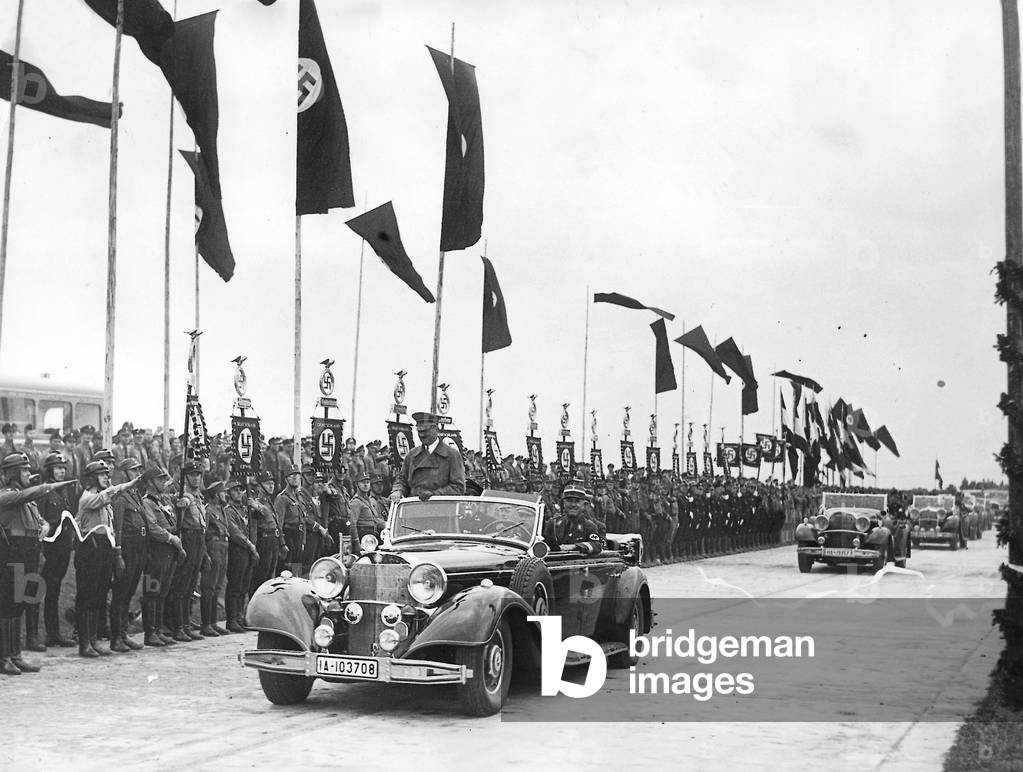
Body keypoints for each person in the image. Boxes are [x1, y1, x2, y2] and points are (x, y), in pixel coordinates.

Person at [0, 453, 75, 674]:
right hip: (12, 553)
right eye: (24, 471)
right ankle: (4, 656)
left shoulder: (25, 497)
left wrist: (42, 526)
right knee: (8, 605)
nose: (28, 474)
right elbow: (25, 497)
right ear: (13, 473)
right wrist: (48, 487)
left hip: (29, 551)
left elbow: (39, 518)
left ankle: (15, 654)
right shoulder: (8, 495)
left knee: (20, 603)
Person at [75, 459, 144, 658]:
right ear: (92, 478)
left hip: (104, 547)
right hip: (90, 548)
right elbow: (107, 496)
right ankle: (85, 643)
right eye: (102, 474)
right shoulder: (88, 497)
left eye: (107, 474)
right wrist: (126, 486)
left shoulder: (102, 499)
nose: (106, 477)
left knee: (98, 595)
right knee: (87, 596)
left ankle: (93, 640)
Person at [139, 466, 185, 647]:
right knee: (152, 591)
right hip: (157, 551)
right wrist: (171, 538)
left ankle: (158, 629)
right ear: (150, 482)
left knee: (163, 591)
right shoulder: (147, 502)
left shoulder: (163, 498)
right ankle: (150, 632)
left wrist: (185, 501)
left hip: (168, 551)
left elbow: (181, 498)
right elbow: (152, 527)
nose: (162, 483)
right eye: (159, 480)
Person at [109, 458, 148, 652]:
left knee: (129, 593)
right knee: (121, 593)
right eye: (133, 471)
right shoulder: (121, 497)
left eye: (138, 470)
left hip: (139, 547)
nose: (137, 474)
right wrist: (118, 554)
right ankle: (116, 637)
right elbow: (118, 527)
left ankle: (123, 634)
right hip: (127, 548)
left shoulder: (135, 494)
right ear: (124, 474)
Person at [38, 452, 77, 647]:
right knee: (43, 592)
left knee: (55, 591)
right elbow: (40, 522)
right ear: (49, 470)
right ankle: (46, 634)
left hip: (63, 549)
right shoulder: (44, 492)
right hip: (50, 549)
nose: (61, 471)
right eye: (57, 468)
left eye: (63, 468)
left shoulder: (63, 491)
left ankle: (54, 634)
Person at [168, 461, 208, 642]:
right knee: (182, 584)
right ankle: (178, 626)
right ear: (186, 477)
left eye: (199, 475)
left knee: (191, 585)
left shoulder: (198, 496)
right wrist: (180, 503)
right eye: (192, 475)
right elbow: (178, 503)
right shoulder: (183, 494)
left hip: (199, 538)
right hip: (188, 537)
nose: (196, 478)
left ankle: (186, 624)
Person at [389, 411, 466, 501]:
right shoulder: (412, 455)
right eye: (419, 431)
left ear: (436, 429)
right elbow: (402, 480)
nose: (422, 435)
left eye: (425, 431)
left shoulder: (451, 455)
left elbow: (458, 487)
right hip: (413, 508)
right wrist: (398, 491)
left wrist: (434, 495)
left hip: (441, 509)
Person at [224, 479, 258, 633]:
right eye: (235, 490)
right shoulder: (228, 510)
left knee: (244, 585)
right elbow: (235, 532)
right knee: (235, 586)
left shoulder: (246, 509)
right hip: (237, 550)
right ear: (229, 493)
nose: (239, 493)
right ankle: (232, 619)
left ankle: (239, 616)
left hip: (248, 551)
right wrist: (250, 545)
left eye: (241, 490)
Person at [200, 480, 230, 636]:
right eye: (223, 493)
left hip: (223, 545)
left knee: (218, 585)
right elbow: (203, 534)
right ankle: (206, 624)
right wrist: (205, 554)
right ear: (216, 495)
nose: (225, 495)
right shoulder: (208, 510)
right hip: (213, 546)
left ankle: (213, 622)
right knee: (209, 586)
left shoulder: (221, 510)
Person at [542, 483, 605, 555]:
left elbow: (597, 545)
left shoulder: (589, 526)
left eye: (577, 501)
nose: (573, 505)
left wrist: (574, 546)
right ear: (563, 503)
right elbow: (543, 543)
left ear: (584, 505)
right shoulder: (553, 523)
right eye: (569, 500)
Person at [249, 471, 285, 592]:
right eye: (268, 483)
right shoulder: (255, 502)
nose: (271, 486)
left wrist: (282, 543)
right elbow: (265, 514)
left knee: (270, 576)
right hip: (264, 541)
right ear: (260, 486)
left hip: (273, 540)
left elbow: (276, 523)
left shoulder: (269, 501)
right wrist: (257, 506)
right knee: (261, 576)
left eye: (272, 483)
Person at [275, 464, 306, 574]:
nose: (294, 478)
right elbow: (278, 523)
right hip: (288, 536)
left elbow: (302, 519)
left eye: (297, 475)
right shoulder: (282, 498)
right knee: (287, 570)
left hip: (298, 536)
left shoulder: (299, 496)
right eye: (291, 476)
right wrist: (282, 544)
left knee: (297, 568)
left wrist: (303, 541)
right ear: (286, 479)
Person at [351, 473, 386, 554]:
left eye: (367, 482)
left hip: (372, 536)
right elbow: (353, 524)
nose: (365, 485)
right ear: (357, 484)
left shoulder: (368, 500)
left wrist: (387, 525)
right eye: (362, 482)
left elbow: (375, 519)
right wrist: (356, 543)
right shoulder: (356, 502)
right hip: (363, 536)